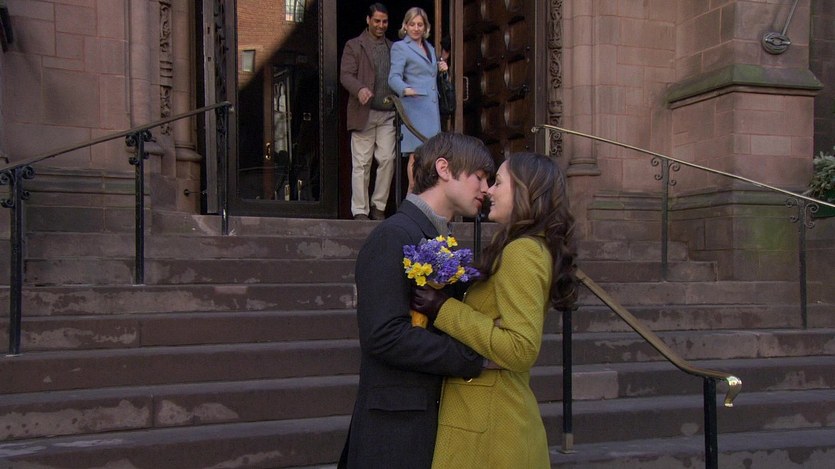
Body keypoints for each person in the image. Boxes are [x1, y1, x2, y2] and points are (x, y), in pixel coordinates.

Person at [338, 132, 496, 469]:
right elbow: (384, 335)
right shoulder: (393, 235)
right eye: (479, 176)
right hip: (395, 429)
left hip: (426, 420)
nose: (486, 188)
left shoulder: (440, 237)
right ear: (444, 168)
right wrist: (470, 358)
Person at [410, 152, 579, 468]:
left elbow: (520, 348)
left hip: (492, 427)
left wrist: (443, 308)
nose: (488, 190)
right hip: (489, 417)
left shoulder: (522, 252)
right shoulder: (525, 247)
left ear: (526, 191)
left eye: (498, 182)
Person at [340, 3, 397, 220]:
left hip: (388, 114)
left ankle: (378, 207)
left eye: (385, 21)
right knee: (362, 163)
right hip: (363, 113)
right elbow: (345, 75)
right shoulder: (354, 45)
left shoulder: (393, 48)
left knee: (388, 159)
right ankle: (360, 211)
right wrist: (360, 89)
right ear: (368, 20)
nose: (381, 25)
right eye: (377, 21)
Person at [388, 7, 447, 193]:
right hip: (415, 108)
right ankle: (412, 196)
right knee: (416, 156)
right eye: (412, 24)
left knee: (431, 155)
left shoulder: (430, 48)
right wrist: (405, 89)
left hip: (431, 110)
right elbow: (393, 77)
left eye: (419, 24)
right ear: (405, 26)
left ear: (425, 27)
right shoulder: (400, 47)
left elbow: (430, 74)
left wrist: (442, 67)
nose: (416, 28)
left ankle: (423, 197)